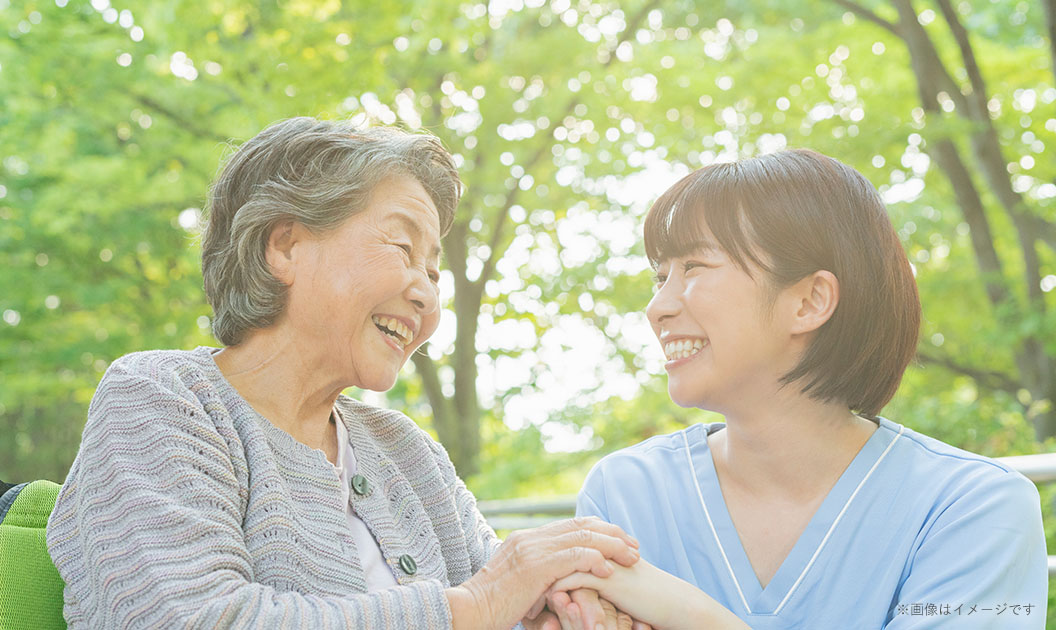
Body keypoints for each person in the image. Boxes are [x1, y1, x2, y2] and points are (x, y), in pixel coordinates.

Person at [45, 117, 643, 629]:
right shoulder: (160, 399)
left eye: (433, 273)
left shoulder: (407, 452)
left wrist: (552, 610)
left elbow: (508, 594)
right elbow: (188, 618)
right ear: (284, 247)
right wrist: (479, 606)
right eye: (404, 250)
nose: (425, 296)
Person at [546, 149, 1047, 629]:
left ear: (809, 300)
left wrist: (691, 615)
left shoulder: (974, 510)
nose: (657, 308)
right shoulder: (627, 493)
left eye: (693, 267)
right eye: (660, 277)